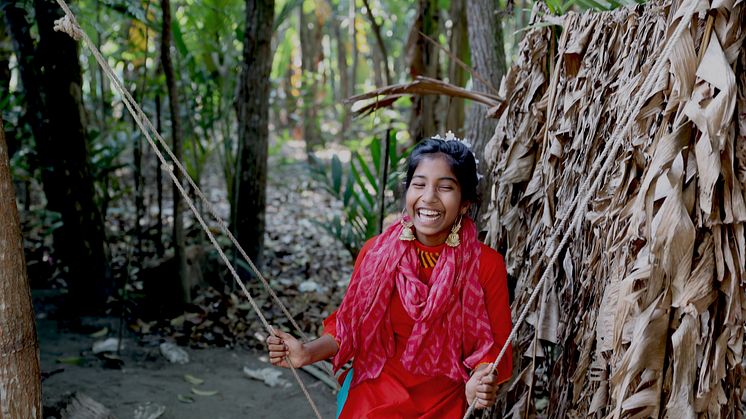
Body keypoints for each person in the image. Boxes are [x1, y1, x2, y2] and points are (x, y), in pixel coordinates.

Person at [267, 135, 512, 418]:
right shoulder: (375, 252)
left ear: (466, 202)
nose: (429, 197)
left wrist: (479, 380)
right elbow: (348, 327)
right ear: (407, 192)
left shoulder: (486, 264)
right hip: (376, 387)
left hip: (443, 400)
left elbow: (495, 346)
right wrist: (305, 353)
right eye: (419, 185)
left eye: (445, 187)